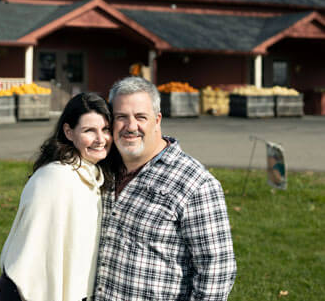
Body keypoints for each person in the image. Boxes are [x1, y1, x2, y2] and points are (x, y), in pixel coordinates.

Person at [94, 76, 237, 301]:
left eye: (141, 117)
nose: (131, 127)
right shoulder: (104, 171)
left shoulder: (195, 183)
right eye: (121, 117)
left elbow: (216, 272)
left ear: (158, 120)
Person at [0, 92, 112, 301]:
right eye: (89, 131)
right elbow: (30, 254)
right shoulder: (55, 177)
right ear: (68, 131)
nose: (101, 139)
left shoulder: (93, 176)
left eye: (105, 129)